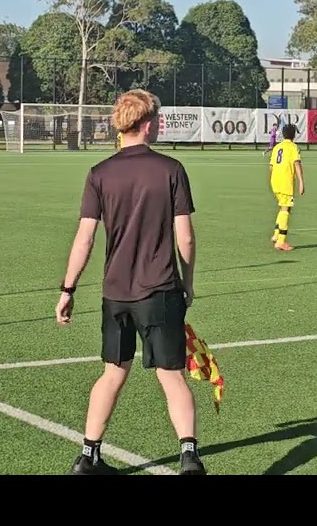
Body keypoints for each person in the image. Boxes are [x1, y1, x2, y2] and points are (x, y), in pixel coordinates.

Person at [56, 88, 205, 476]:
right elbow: (185, 236)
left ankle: (88, 456)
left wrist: (68, 289)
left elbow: (84, 237)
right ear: (148, 124)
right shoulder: (171, 169)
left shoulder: (99, 174)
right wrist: (187, 282)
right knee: (171, 376)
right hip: (159, 290)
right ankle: (189, 457)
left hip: (115, 294)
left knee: (112, 372)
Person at [269, 123, 305, 251]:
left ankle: (276, 234)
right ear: (294, 135)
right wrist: (301, 182)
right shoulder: (293, 147)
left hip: (275, 181)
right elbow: (297, 164)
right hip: (285, 182)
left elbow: (271, 167)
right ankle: (281, 242)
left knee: (284, 208)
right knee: (285, 209)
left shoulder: (277, 147)